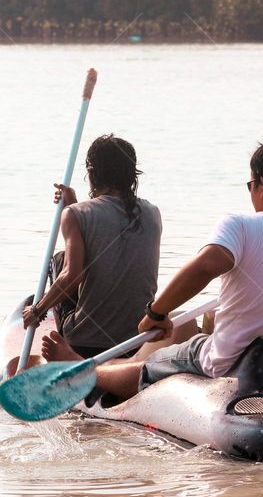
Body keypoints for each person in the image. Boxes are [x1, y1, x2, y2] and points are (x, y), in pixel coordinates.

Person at [91, 133, 263, 400]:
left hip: (227, 360)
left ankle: (88, 375)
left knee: (155, 361)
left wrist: (156, 312)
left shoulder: (240, 225)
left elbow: (206, 266)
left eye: (251, 184)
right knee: (207, 323)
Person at [21, 134, 162, 359]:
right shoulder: (153, 213)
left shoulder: (76, 215)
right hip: (137, 339)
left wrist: (37, 310)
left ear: (91, 172)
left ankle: (66, 349)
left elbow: (72, 275)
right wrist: (74, 204)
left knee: (60, 259)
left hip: (86, 343)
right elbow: (108, 236)